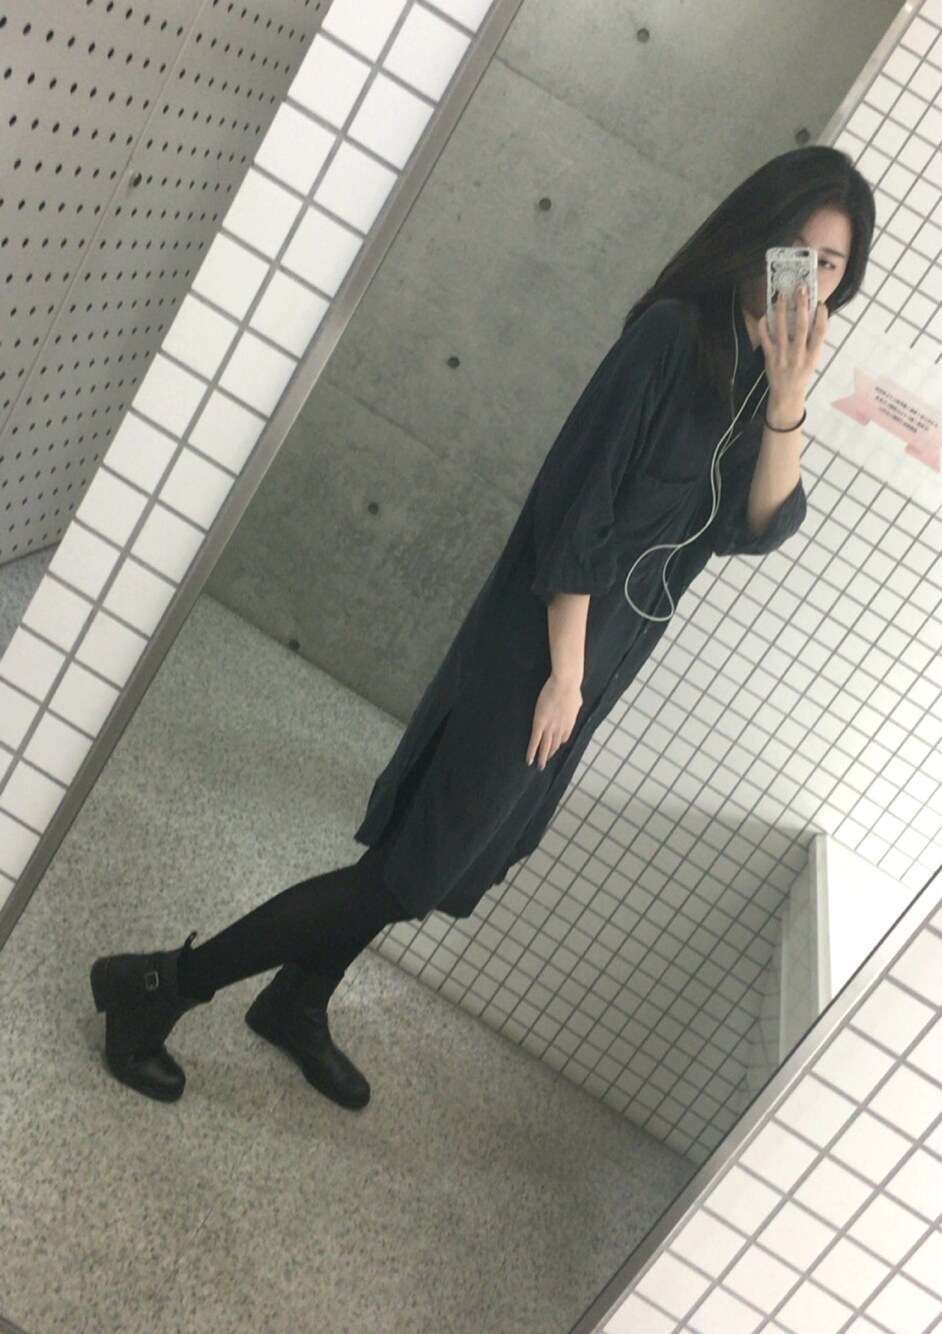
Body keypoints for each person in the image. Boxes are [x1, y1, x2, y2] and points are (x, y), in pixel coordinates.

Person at [90, 146, 875, 1107]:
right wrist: (563, 676)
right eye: (796, 248)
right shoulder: (671, 339)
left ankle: (297, 997)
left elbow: (758, 527)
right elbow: (577, 517)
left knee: (449, 858)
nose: (807, 275)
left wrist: (791, 399)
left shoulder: (763, 384)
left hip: (595, 667)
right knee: (408, 875)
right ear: (755, 234)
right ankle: (160, 984)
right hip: (539, 651)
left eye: (830, 264)